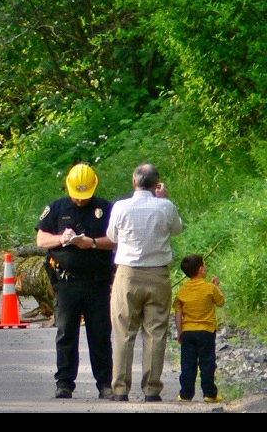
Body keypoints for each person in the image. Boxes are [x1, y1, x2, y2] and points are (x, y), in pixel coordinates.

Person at [36, 163, 115, 400]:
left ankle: (105, 383)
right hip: (66, 282)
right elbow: (41, 239)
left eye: (85, 197)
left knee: (100, 333)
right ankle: (64, 383)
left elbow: (116, 240)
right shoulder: (56, 208)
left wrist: (90, 242)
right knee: (65, 332)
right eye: (77, 196)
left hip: (97, 282)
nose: (80, 201)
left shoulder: (105, 208)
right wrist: (62, 239)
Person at [106, 162, 183, 401]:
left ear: (134, 182)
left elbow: (111, 236)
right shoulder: (166, 206)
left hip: (128, 273)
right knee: (156, 332)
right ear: (155, 183)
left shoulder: (120, 206)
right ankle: (151, 389)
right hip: (158, 274)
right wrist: (161, 199)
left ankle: (120, 389)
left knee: (123, 332)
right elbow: (177, 229)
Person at [174, 254, 225, 403]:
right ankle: (209, 393)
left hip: (188, 332)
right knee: (207, 362)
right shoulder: (209, 288)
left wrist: (179, 332)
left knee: (188, 364)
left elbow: (178, 313)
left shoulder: (182, 290)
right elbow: (220, 302)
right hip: (206, 332)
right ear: (201, 269)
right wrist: (216, 287)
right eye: (205, 265)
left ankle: (185, 394)